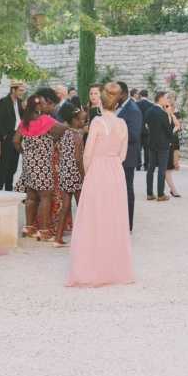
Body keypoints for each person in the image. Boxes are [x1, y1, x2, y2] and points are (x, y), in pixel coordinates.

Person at [66, 82, 134, 287]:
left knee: (93, 218)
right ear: (117, 103)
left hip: (97, 169)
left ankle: (93, 267)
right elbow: (123, 155)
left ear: (101, 103)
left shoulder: (97, 122)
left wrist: (89, 173)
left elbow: (87, 153)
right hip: (116, 171)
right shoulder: (122, 124)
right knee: (114, 218)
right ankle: (114, 268)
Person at [14, 94, 67, 241]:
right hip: (43, 164)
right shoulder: (45, 120)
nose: (45, 106)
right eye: (43, 103)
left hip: (28, 164)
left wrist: (24, 153)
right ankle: (43, 231)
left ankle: (29, 227)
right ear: (37, 106)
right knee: (45, 196)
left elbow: (16, 141)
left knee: (31, 196)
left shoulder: (24, 122)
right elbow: (63, 128)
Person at [53, 104, 86, 247]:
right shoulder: (77, 136)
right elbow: (78, 159)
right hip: (75, 175)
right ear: (74, 120)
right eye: (81, 120)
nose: (83, 122)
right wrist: (84, 175)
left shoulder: (65, 133)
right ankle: (85, 238)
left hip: (65, 173)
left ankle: (58, 238)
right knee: (82, 207)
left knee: (65, 207)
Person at [116, 81, 143, 230]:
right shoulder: (119, 107)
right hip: (117, 156)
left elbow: (134, 135)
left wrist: (113, 133)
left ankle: (127, 225)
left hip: (127, 157)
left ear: (124, 93)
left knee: (127, 190)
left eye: (116, 93)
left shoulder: (133, 109)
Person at [0, 80, 26, 191]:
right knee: (4, 163)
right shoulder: (3, 102)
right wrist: (4, 135)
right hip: (8, 135)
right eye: (20, 90)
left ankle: (9, 188)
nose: (22, 92)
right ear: (13, 90)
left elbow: (24, 118)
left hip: (18, 135)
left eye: (23, 90)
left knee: (13, 164)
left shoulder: (21, 102)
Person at [146, 92, 173, 201]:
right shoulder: (163, 113)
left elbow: (146, 126)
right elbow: (169, 130)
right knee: (162, 169)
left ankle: (149, 193)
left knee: (151, 168)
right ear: (160, 99)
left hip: (152, 143)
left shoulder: (149, 111)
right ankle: (160, 194)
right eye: (166, 98)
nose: (167, 100)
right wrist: (169, 115)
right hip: (163, 144)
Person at [164, 91, 182, 198]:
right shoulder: (164, 109)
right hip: (167, 139)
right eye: (169, 97)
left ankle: (171, 189)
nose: (171, 100)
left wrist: (175, 130)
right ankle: (173, 189)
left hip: (175, 139)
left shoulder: (176, 110)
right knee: (168, 166)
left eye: (173, 98)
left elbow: (179, 126)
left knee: (174, 165)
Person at [137, 89, 154, 170]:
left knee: (138, 148)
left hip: (138, 129)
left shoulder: (136, 104)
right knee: (147, 149)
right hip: (147, 129)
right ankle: (146, 165)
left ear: (140, 95)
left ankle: (138, 165)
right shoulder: (151, 105)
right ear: (147, 95)